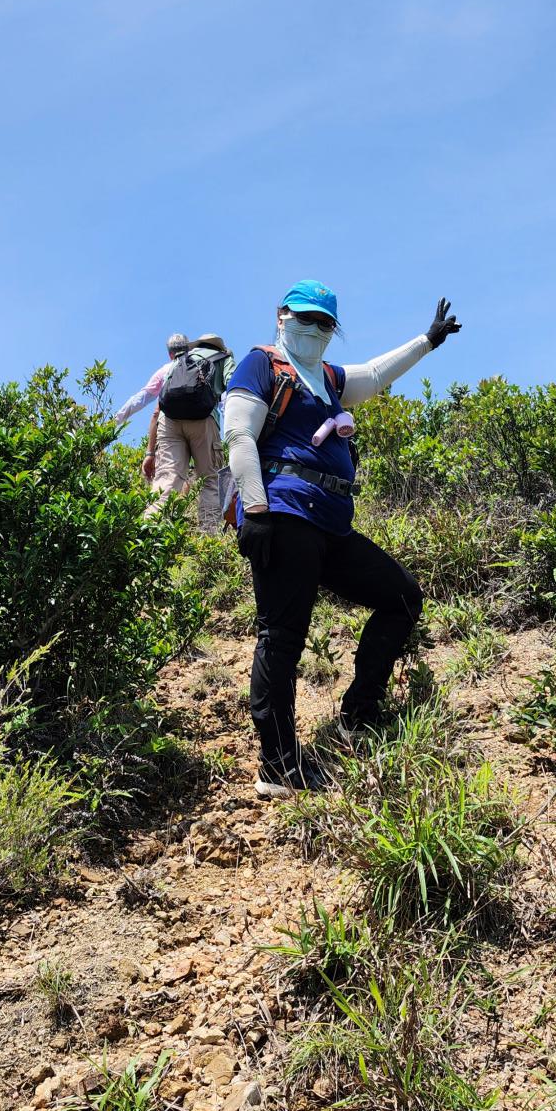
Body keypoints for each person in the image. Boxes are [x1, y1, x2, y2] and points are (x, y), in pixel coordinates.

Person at [223, 281, 461, 797]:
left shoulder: (327, 379)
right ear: (282, 316)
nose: (314, 328)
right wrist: (255, 511)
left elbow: (373, 375)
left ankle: (358, 714)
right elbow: (239, 434)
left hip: (331, 524)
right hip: (284, 514)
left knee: (401, 597)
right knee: (282, 637)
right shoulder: (261, 364)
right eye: (305, 317)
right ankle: (279, 768)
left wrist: (427, 341)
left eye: (325, 321)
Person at [115, 332, 234, 532]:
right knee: (209, 480)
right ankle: (208, 535)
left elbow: (144, 399)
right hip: (203, 421)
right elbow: (230, 392)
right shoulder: (223, 358)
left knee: (167, 478)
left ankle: (148, 530)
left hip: (169, 421)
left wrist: (117, 419)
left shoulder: (174, 365)